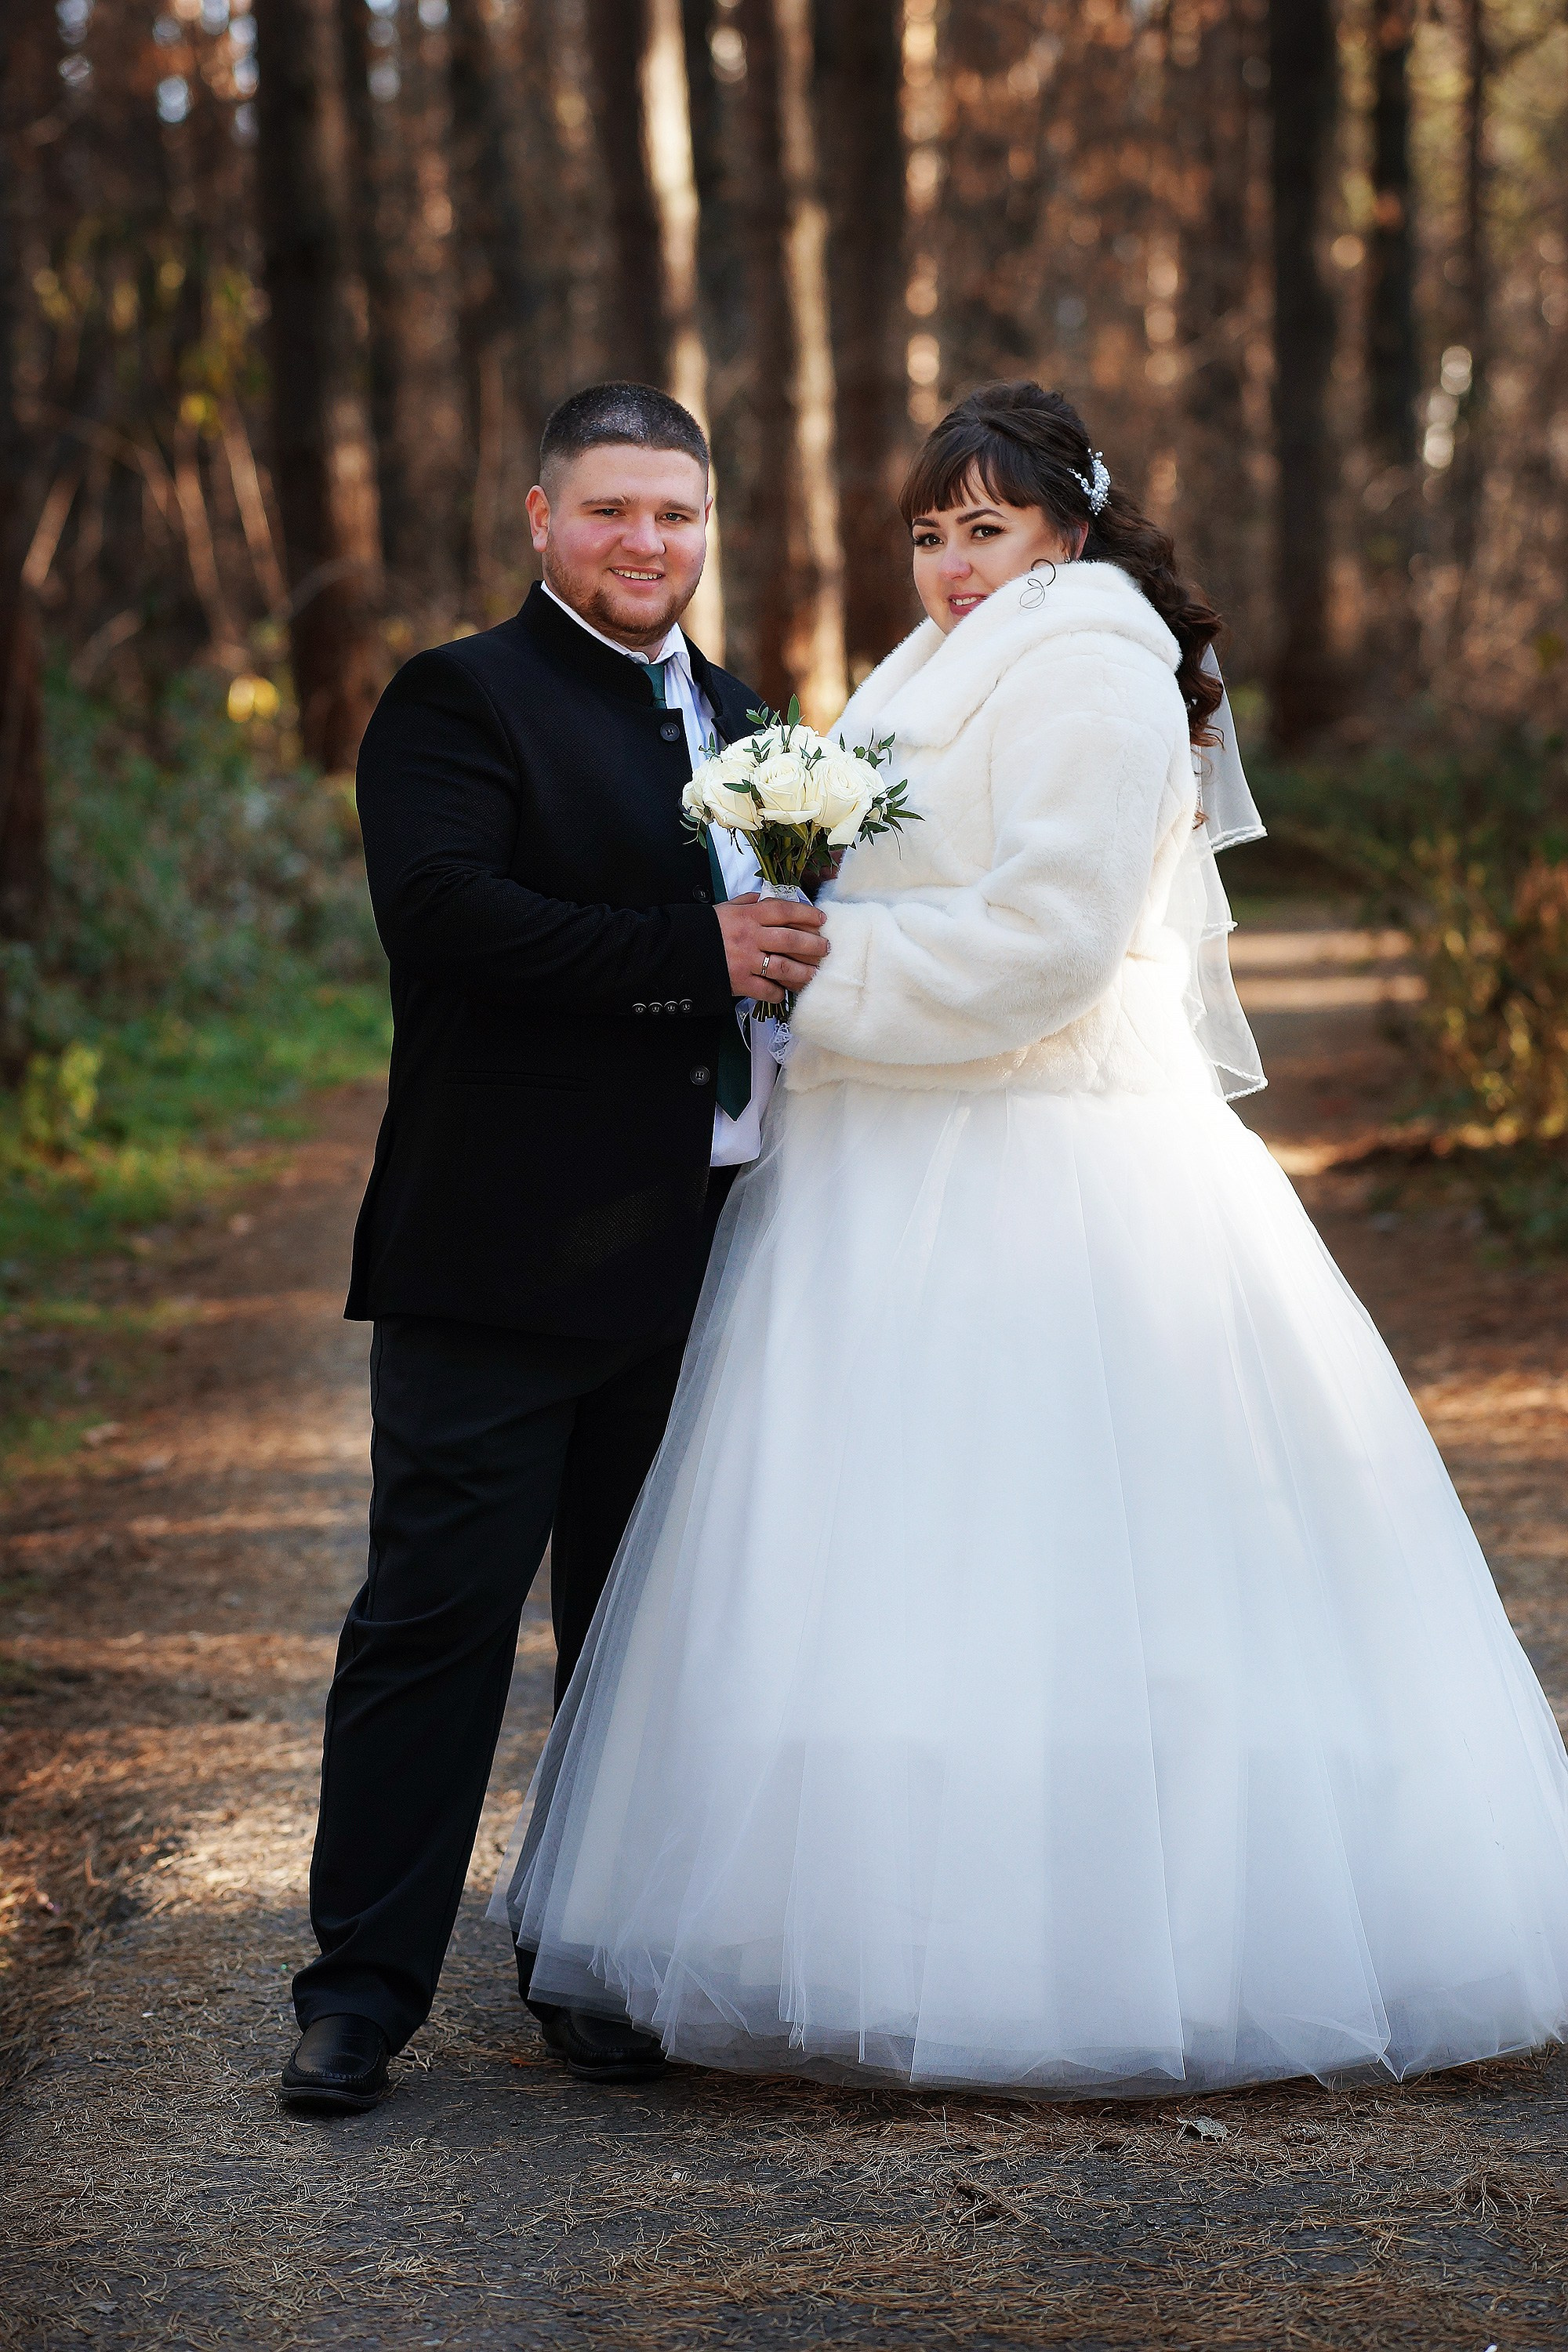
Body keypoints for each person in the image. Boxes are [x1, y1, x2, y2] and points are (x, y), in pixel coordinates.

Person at [493, 381, 1568, 2098]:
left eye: (985, 528)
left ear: (1068, 528)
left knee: (1073, 1560)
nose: (950, 564)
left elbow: (1054, 942)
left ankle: (1113, 1941)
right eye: (930, 533)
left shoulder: (1087, 658)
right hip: (895, 1152)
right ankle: (880, 1910)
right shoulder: (946, 661)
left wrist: (815, 973)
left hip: (1043, 1161)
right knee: (895, 1565)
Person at [280, 383, 829, 2111]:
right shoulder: (462, 698)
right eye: (608, 511)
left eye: (673, 513)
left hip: (705, 1258)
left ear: (707, 520)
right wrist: (700, 951)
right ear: (539, 517)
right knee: (432, 1627)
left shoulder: (757, 721)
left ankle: (586, 1962)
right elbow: (446, 918)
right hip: (499, 1252)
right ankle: (360, 1992)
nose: (643, 543)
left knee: (636, 1638)